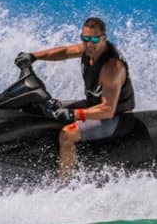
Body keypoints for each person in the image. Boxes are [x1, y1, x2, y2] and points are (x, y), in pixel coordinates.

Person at [15, 17, 135, 182]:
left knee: (67, 134)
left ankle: (65, 184)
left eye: (94, 39)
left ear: (104, 38)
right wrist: (33, 56)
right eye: (85, 39)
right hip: (93, 106)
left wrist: (73, 115)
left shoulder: (112, 68)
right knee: (48, 106)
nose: (89, 44)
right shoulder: (88, 50)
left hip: (116, 118)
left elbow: (108, 110)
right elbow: (63, 52)